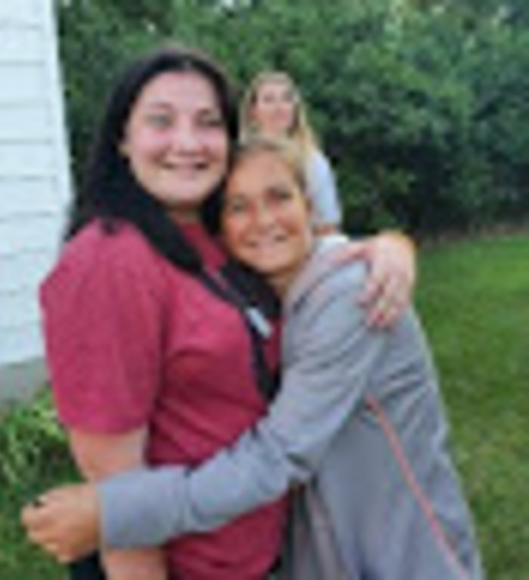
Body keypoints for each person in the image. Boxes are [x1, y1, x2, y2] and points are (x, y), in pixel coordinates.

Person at [24, 45, 417, 580]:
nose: (187, 142)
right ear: (122, 137)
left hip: (263, 546)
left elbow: (296, 265)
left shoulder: (212, 232)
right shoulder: (108, 262)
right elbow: (115, 497)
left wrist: (389, 246)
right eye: (161, 121)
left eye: (208, 123)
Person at [241, 70, 342, 234]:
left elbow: (327, 225)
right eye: (268, 100)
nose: (279, 107)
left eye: (286, 99)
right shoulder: (237, 160)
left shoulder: (313, 161)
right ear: (253, 111)